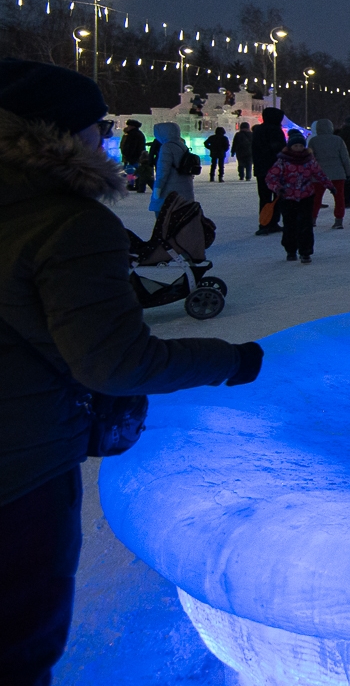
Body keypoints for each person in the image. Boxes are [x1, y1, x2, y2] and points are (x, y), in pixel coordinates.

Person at [0, 60, 265, 686]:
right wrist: (228, 359)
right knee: (17, 646)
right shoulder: (66, 221)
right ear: (63, 136)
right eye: (97, 127)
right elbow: (116, 361)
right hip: (19, 469)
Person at [265, 130, 331, 264]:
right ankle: (290, 250)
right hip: (288, 197)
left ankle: (305, 252)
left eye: (301, 146)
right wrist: (278, 188)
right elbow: (271, 177)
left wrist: (329, 185)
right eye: (296, 146)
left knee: (305, 225)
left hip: (306, 196)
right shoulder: (282, 161)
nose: (299, 148)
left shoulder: (309, 160)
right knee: (290, 225)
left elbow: (319, 173)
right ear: (290, 146)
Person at [308, 119, 350, 229]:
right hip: (337, 173)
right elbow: (345, 158)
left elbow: (310, 158)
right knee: (339, 197)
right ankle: (338, 220)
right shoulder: (338, 140)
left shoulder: (313, 141)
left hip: (319, 174)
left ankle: (312, 219)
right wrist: (348, 172)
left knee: (316, 198)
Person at [251, 107, 287, 234]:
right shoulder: (275, 130)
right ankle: (272, 222)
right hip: (275, 169)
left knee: (264, 197)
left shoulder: (258, 130)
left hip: (261, 169)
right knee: (277, 196)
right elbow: (280, 150)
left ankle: (265, 222)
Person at [149, 121, 195, 214]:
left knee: (164, 219)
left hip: (169, 190)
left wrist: (158, 188)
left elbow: (163, 170)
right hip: (184, 188)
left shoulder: (166, 147)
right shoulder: (181, 145)